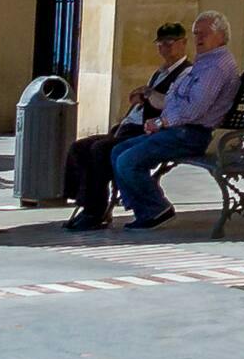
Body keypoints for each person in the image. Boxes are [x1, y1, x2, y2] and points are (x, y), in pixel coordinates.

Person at [104, 11, 242, 233]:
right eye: (196, 33)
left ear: (221, 36)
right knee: (118, 150)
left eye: (204, 34)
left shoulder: (216, 67)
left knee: (127, 160)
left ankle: (155, 209)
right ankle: (145, 207)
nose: (199, 38)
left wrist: (161, 122)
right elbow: (175, 99)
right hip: (179, 129)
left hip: (190, 133)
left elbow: (194, 110)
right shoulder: (205, 62)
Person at [60, 23, 194, 232]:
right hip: (129, 126)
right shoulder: (159, 73)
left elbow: (172, 103)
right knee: (79, 147)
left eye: (170, 43)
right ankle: (83, 202)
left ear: (183, 43)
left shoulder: (186, 73)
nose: (165, 48)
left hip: (149, 130)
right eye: (160, 44)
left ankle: (95, 210)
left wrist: (148, 95)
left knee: (101, 150)